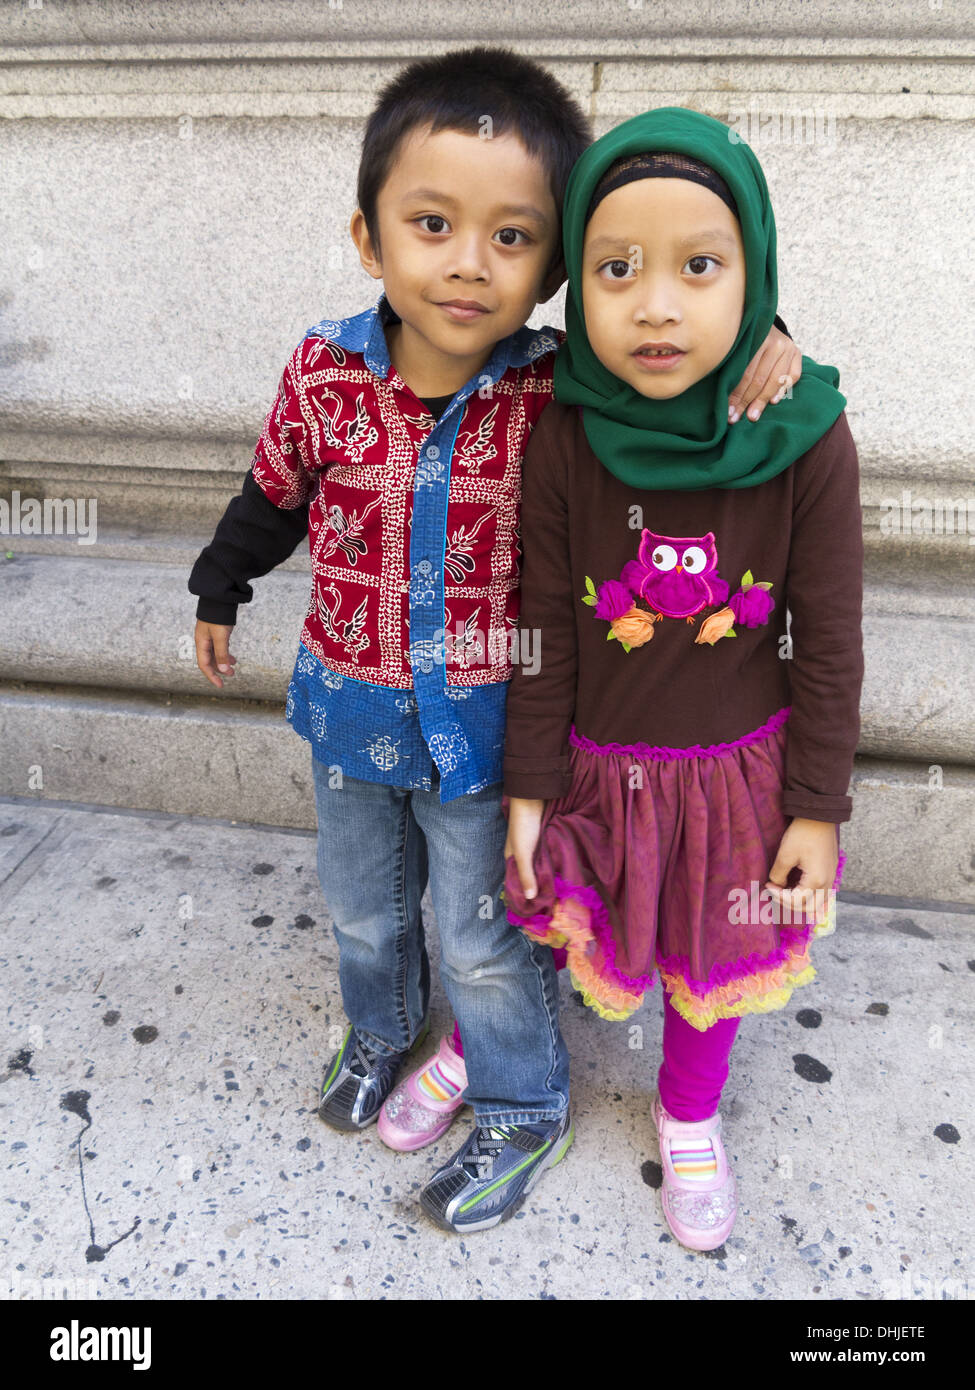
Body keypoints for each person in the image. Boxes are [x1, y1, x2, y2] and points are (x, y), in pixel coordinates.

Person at [188, 47, 804, 1232]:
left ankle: (524, 1101)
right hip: (349, 710)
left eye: (515, 237)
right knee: (364, 906)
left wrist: (767, 325)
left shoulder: (564, 387)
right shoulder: (323, 371)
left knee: (481, 937)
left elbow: (678, 331)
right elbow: (273, 492)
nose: (470, 262)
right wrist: (223, 584)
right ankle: (378, 1031)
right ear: (369, 238)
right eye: (431, 223)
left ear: (558, 268)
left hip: (486, 731)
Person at [501, 107, 863, 1252]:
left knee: (711, 947)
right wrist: (527, 781)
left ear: (755, 273)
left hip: (733, 780)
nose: (656, 303)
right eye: (615, 269)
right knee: (562, 913)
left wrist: (816, 807)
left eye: (700, 266)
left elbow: (831, 637)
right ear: (577, 287)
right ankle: (502, 1043)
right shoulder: (565, 429)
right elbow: (544, 620)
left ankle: (690, 1110)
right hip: (593, 768)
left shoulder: (805, 434)